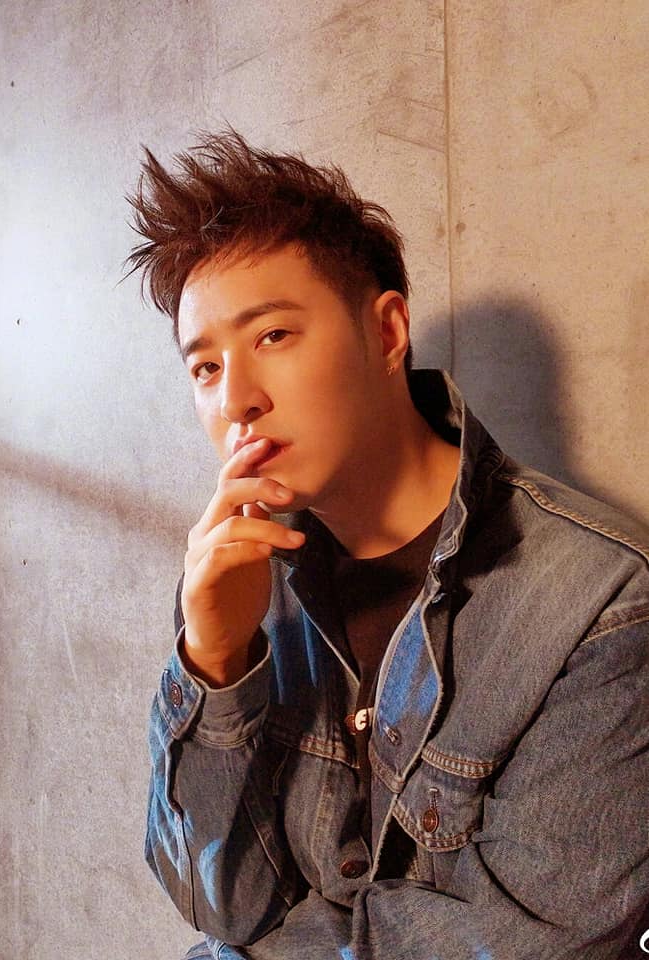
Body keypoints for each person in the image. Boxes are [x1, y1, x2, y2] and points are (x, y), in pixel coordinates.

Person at [125, 131, 649, 960]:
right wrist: (214, 660)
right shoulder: (241, 580)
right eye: (205, 368)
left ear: (387, 331)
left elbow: (519, 943)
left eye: (272, 336)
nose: (236, 400)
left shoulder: (597, 600)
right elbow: (216, 902)